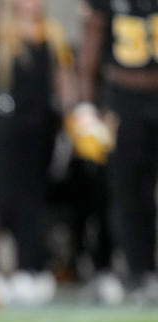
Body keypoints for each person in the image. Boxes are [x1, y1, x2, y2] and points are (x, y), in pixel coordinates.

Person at [0, 0, 75, 305]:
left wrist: (74, 116)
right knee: (8, 200)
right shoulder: (2, 34)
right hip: (9, 132)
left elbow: (63, 79)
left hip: (41, 130)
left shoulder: (51, 33)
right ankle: (12, 268)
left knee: (34, 200)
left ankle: (33, 266)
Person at [77, 0, 158, 303]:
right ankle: (140, 273)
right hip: (125, 99)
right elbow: (90, 47)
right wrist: (86, 107)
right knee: (129, 191)